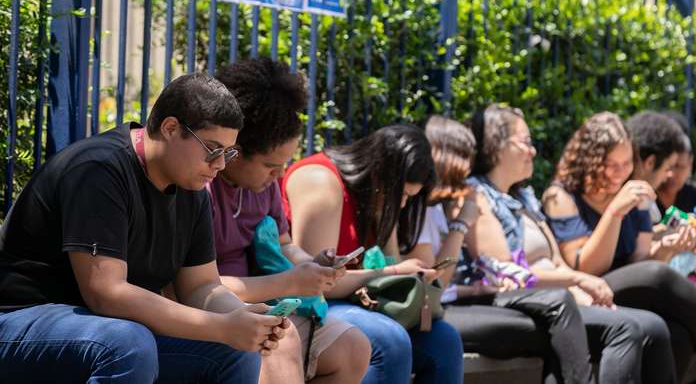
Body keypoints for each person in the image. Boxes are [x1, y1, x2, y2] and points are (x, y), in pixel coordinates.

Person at [0, 73, 289, 383]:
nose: (220, 164)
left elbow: (201, 287)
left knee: (235, 351)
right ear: (171, 128)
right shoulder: (99, 169)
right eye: (213, 149)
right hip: (21, 321)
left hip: (102, 328)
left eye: (228, 153)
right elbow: (106, 293)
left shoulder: (192, 188)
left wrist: (244, 319)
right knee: (128, 343)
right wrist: (221, 327)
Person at [542, 111, 696, 383]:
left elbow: (641, 258)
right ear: (588, 162)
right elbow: (586, 267)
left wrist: (669, 248)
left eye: (626, 163)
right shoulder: (562, 196)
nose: (620, 173)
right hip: (589, 289)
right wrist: (615, 211)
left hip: (634, 287)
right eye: (611, 164)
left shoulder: (634, 191)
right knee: (659, 276)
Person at [465, 105, 676, 384]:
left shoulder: (525, 197)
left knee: (655, 327)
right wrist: (578, 279)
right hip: (524, 301)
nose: (533, 151)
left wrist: (579, 291)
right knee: (626, 328)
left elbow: (556, 261)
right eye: (526, 142)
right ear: (496, 146)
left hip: (557, 297)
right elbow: (504, 273)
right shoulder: (478, 195)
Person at [210, 58, 371, 383]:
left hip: (264, 300)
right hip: (217, 309)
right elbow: (196, 286)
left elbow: (284, 243)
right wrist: (291, 282)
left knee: (353, 348)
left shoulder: (262, 185)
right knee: (281, 342)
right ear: (233, 151)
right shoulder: (202, 187)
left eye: (285, 164)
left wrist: (312, 264)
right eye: (271, 166)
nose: (280, 176)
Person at [407, 115, 597, 383]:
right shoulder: (422, 209)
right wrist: (461, 225)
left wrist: (477, 288)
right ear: (444, 158)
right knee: (555, 309)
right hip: (438, 314)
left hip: (457, 302)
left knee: (555, 319)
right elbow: (433, 286)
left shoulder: (442, 205)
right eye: (464, 159)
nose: (469, 170)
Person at [281, 124, 464, 384]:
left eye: (409, 198)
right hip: (310, 306)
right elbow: (314, 285)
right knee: (389, 340)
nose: (403, 204)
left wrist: (401, 264)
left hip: (355, 302)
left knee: (445, 340)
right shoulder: (321, 181)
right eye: (401, 194)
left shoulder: (378, 195)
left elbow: (390, 266)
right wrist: (394, 271)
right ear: (381, 176)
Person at [655, 111, 696, 216]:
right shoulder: (642, 201)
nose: (670, 174)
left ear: (690, 162)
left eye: (678, 166)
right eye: (666, 167)